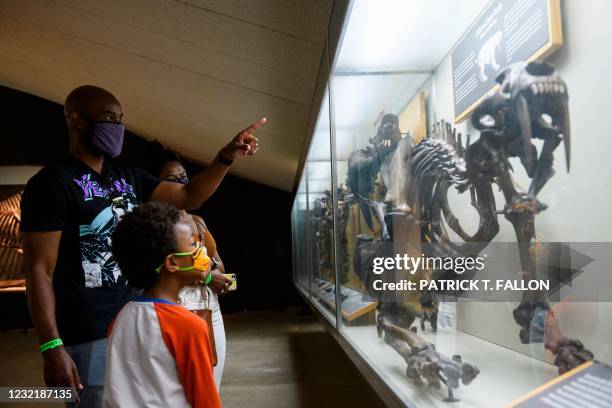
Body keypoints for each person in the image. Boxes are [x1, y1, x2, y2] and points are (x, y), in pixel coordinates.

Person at [20, 84, 265, 407]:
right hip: (88, 333)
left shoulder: (128, 176)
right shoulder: (51, 183)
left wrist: (225, 157)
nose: (117, 127)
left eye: (120, 119)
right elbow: (39, 269)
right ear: (77, 120)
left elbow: (189, 196)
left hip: (135, 323)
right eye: (108, 118)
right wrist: (51, 346)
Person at [105, 201, 220, 408]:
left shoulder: (121, 318)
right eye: (193, 245)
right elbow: (206, 401)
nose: (201, 251)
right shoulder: (189, 326)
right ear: (172, 263)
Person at [144, 141, 230, 389]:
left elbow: (218, 263)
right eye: (173, 178)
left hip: (209, 308)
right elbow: (156, 271)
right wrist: (206, 277)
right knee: (182, 387)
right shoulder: (151, 225)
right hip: (177, 307)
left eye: (184, 176)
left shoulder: (197, 220)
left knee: (212, 382)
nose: (182, 182)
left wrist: (216, 275)